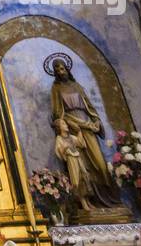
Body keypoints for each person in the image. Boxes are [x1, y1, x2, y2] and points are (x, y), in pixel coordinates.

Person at [48, 56, 119, 207]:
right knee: (82, 167)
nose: (61, 72)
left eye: (62, 68)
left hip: (88, 126)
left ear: (67, 68)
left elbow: (89, 106)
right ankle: (89, 200)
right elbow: (58, 114)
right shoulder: (56, 89)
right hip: (74, 129)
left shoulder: (77, 86)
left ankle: (107, 199)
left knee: (100, 163)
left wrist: (96, 121)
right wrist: (75, 125)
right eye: (57, 70)